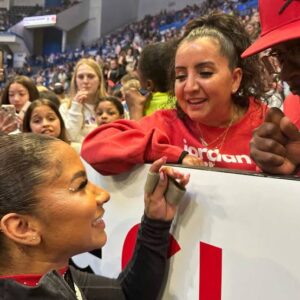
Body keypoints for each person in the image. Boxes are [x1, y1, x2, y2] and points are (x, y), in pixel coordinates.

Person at [0, 133, 190, 299]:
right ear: (22, 227)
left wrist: (155, 221)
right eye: (81, 185)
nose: (103, 195)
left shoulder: (50, 276)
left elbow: (124, 295)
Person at [81, 13, 266, 175]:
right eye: (181, 76)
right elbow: (95, 146)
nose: (190, 87)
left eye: (205, 73)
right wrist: (172, 154)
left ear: (235, 79)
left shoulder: (264, 122)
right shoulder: (167, 123)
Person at [241, 0, 300, 175]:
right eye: (280, 56)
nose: (285, 74)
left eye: (298, 51)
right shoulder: (293, 109)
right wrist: (281, 171)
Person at [123, 41, 177, 121]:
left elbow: (136, 132)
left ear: (149, 85)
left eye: (139, 77)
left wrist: (134, 109)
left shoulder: (143, 105)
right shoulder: (184, 100)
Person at [59, 58, 107, 143]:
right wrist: (76, 106)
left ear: (99, 81)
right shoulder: (65, 108)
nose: (85, 81)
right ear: (75, 81)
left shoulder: (112, 106)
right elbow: (69, 137)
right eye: (80, 77)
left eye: (91, 76)